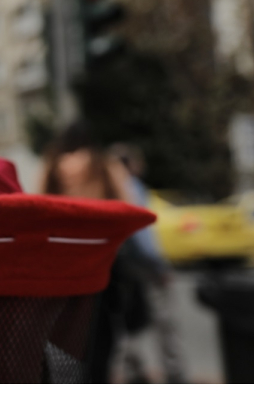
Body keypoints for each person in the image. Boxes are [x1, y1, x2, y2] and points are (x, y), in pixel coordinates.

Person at [38, 122, 149, 384]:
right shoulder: (105, 165)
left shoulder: (51, 166)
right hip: (103, 261)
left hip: (63, 263)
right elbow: (128, 205)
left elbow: (38, 206)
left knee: (66, 334)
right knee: (102, 333)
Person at [109, 143, 187, 384]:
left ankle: (135, 371)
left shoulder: (108, 188)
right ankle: (174, 374)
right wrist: (159, 265)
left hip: (123, 266)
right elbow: (143, 233)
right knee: (164, 321)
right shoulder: (130, 187)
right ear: (130, 164)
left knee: (129, 322)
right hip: (146, 265)